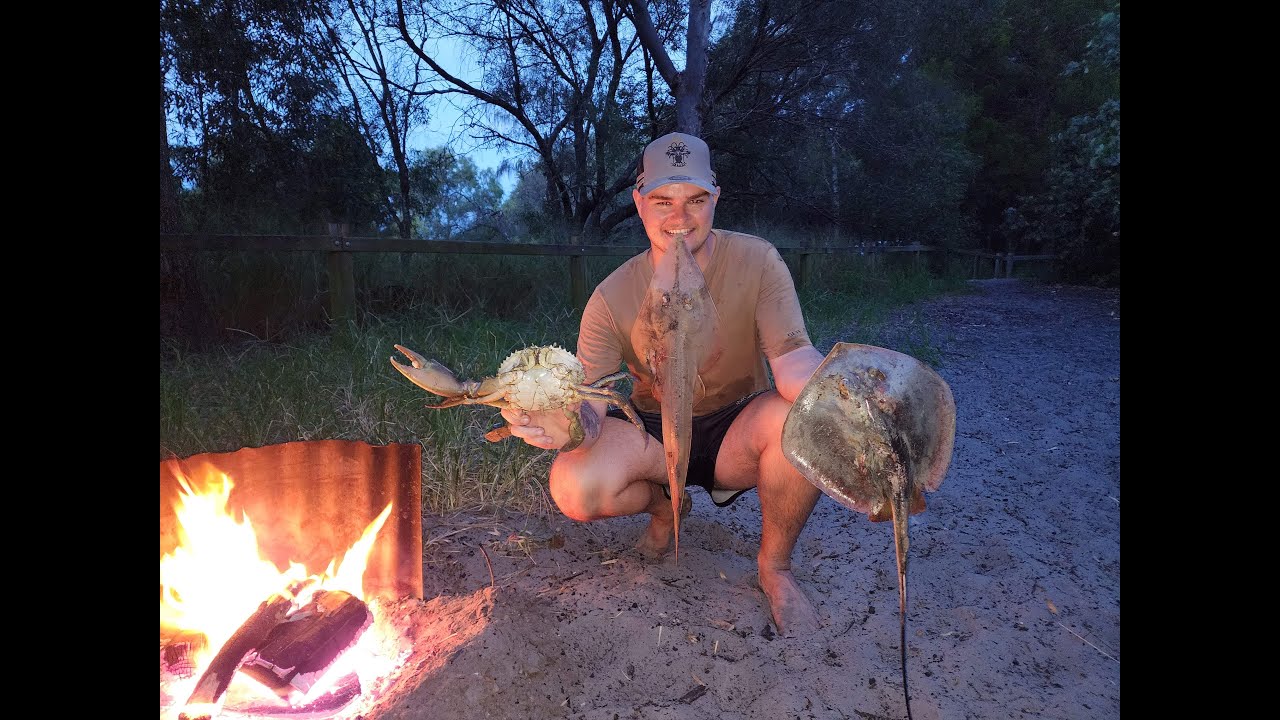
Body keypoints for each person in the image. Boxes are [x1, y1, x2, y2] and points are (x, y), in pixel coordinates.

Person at [499, 131, 825, 636]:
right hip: (650, 433)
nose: (680, 217)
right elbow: (591, 406)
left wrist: (834, 399)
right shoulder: (610, 298)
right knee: (573, 485)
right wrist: (557, 425)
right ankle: (665, 508)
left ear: (715, 196)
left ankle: (774, 567)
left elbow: (793, 358)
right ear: (638, 202)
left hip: (733, 428)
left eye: (695, 200)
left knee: (797, 421)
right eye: (662, 201)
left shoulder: (759, 261)